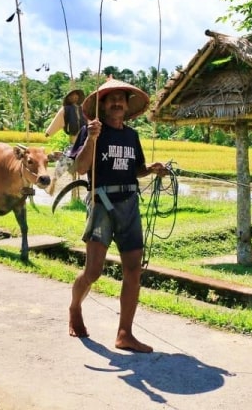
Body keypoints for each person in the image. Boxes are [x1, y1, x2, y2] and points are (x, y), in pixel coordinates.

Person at [67, 78, 167, 352]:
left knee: (134, 269)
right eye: (111, 99)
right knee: (93, 271)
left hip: (129, 205)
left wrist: (151, 169)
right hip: (102, 204)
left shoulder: (131, 136)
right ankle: (75, 306)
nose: (116, 103)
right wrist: (92, 139)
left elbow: (135, 169)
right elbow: (79, 168)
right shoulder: (92, 131)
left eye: (121, 99)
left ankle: (125, 334)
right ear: (102, 105)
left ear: (126, 104)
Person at [45, 88, 87, 201]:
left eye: (76, 96)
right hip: (73, 143)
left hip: (85, 142)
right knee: (65, 161)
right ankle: (53, 183)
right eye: (71, 96)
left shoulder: (84, 110)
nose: (74, 98)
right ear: (68, 98)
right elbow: (57, 120)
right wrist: (49, 132)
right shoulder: (66, 110)